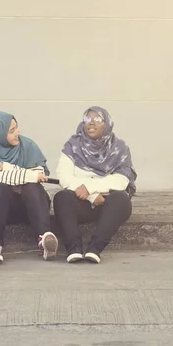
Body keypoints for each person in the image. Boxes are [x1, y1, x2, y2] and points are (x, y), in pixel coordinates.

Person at [54, 106, 137, 264]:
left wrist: (90, 187)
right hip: (81, 201)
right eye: (87, 119)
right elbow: (64, 177)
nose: (91, 123)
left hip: (107, 203)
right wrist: (91, 195)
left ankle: (95, 249)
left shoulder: (119, 148)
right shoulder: (72, 146)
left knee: (122, 199)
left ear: (107, 124)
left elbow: (121, 179)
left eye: (97, 119)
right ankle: (74, 249)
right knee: (61, 198)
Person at [0, 111, 58, 263]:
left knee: (32, 187)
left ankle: (44, 240)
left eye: (16, 127)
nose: (18, 132)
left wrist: (10, 168)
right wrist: (29, 175)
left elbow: (40, 173)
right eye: (12, 131)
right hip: (6, 209)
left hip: (35, 206)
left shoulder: (28, 145)